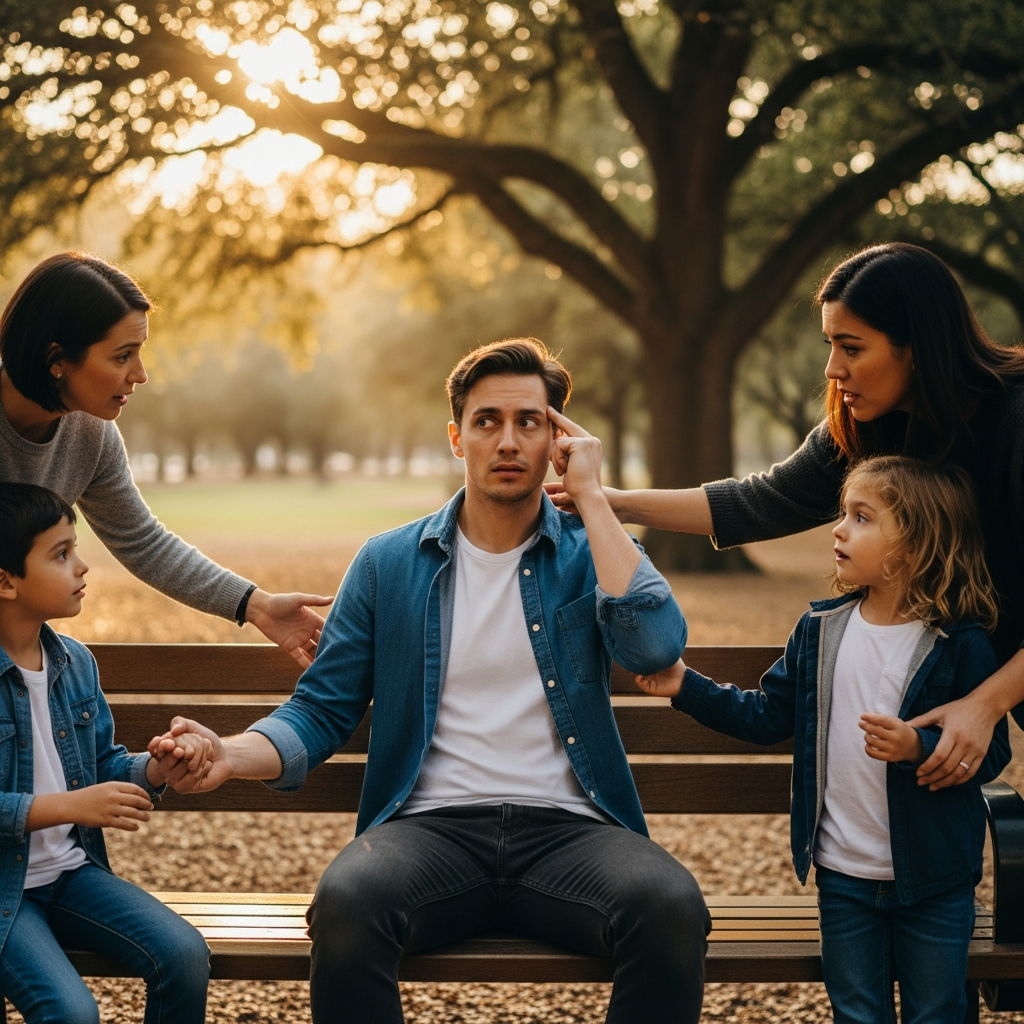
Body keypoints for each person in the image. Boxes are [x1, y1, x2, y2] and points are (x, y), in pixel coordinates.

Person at [151, 339, 711, 1024]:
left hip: (571, 835)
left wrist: (592, 499)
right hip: (428, 835)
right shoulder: (387, 563)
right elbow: (321, 708)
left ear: (559, 441)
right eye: (487, 421)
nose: (508, 441)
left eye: (530, 422)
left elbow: (655, 646)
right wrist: (229, 754)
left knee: (671, 908)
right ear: (456, 438)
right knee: (347, 905)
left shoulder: (594, 552)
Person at [553, 243, 1024, 790]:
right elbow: (759, 502)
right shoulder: (865, 426)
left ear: (917, 347)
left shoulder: (1014, 420)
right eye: (830, 345)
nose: (832, 369)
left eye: (851, 348)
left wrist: (984, 703)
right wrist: (607, 501)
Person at [635, 456, 1012, 1023]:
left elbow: (992, 753)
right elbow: (767, 716)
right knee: (855, 1014)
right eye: (843, 514)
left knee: (938, 1012)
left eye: (862, 517)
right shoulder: (821, 630)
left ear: (916, 543)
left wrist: (918, 749)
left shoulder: (959, 643)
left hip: (936, 880)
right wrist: (686, 685)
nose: (838, 529)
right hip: (843, 877)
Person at [0, 252, 331, 666]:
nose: (141, 374)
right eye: (123, 356)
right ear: (58, 361)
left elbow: (143, 543)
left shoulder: (91, 434)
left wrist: (256, 605)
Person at [0, 481, 214, 1024]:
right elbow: (79, 799)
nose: (82, 567)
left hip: (72, 875)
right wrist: (70, 806)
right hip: (5, 892)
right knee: (72, 1013)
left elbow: (102, 767)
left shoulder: (75, 663)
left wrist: (156, 768)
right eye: (61, 554)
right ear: (5, 580)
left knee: (184, 955)